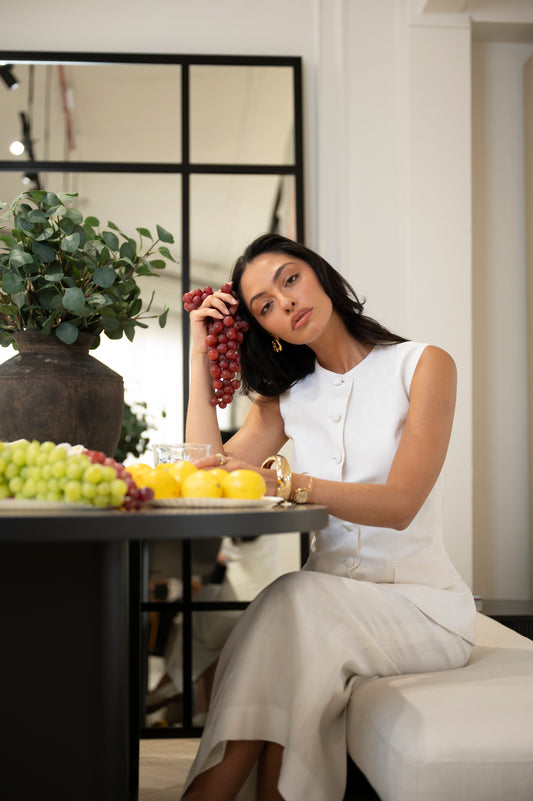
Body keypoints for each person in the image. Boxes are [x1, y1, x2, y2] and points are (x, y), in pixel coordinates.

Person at [181, 234, 476, 801]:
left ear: (320, 276)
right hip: (319, 604)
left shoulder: (422, 365)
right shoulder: (288, 396)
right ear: (265, 328)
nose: (285, 303)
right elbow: (206, 473)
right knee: (297, 610)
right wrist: (198, 354)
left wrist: (288, 484)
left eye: (290, 280)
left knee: (291, 599)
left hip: (421, 607)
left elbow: (400, 504)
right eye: (264, 305)